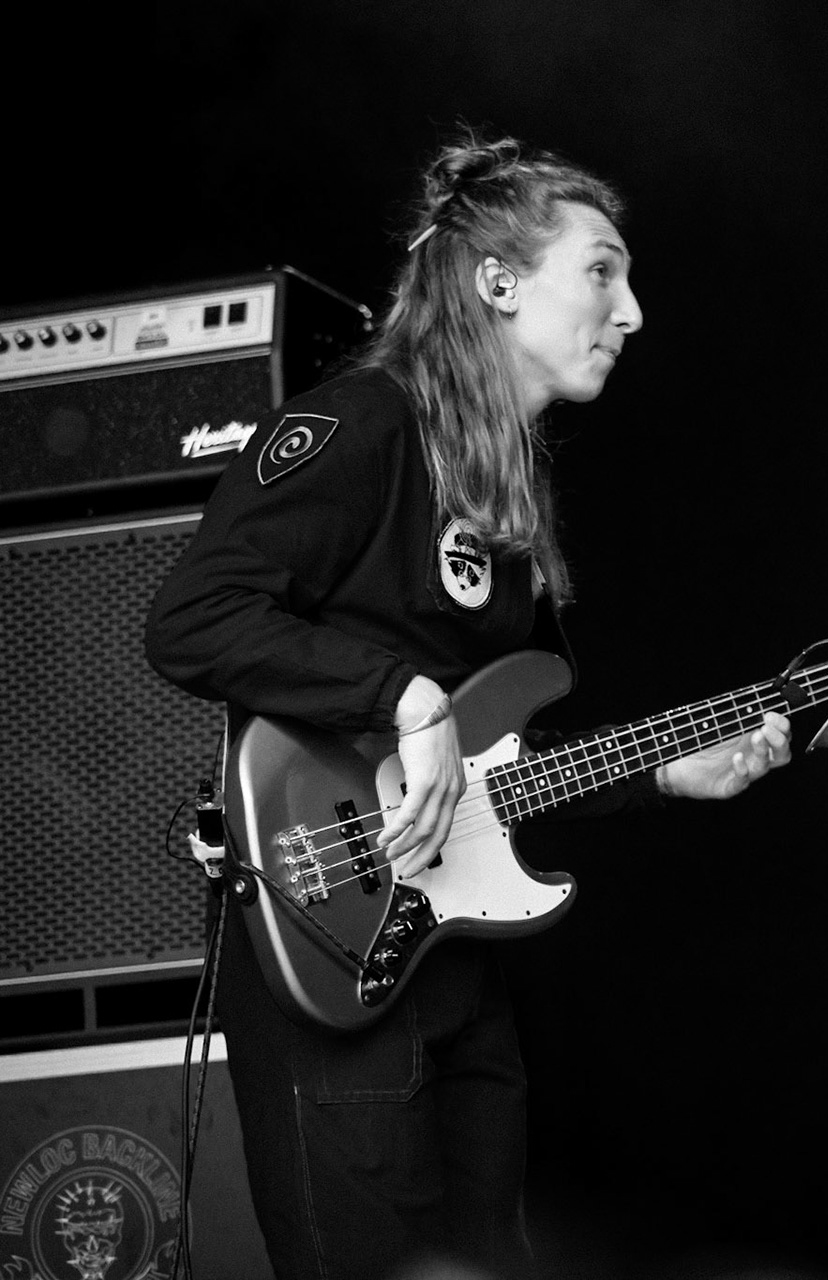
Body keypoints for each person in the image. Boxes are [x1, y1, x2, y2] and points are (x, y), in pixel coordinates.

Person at [145, 131, 790, 1280]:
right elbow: (190, 619)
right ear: (497, 283)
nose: (632, 310)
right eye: (602, 269)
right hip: (323, 932)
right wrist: (404, 694)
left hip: (452, 964)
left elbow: (500, 759)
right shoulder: (364, 424)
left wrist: (660, 774)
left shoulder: (504, 485)